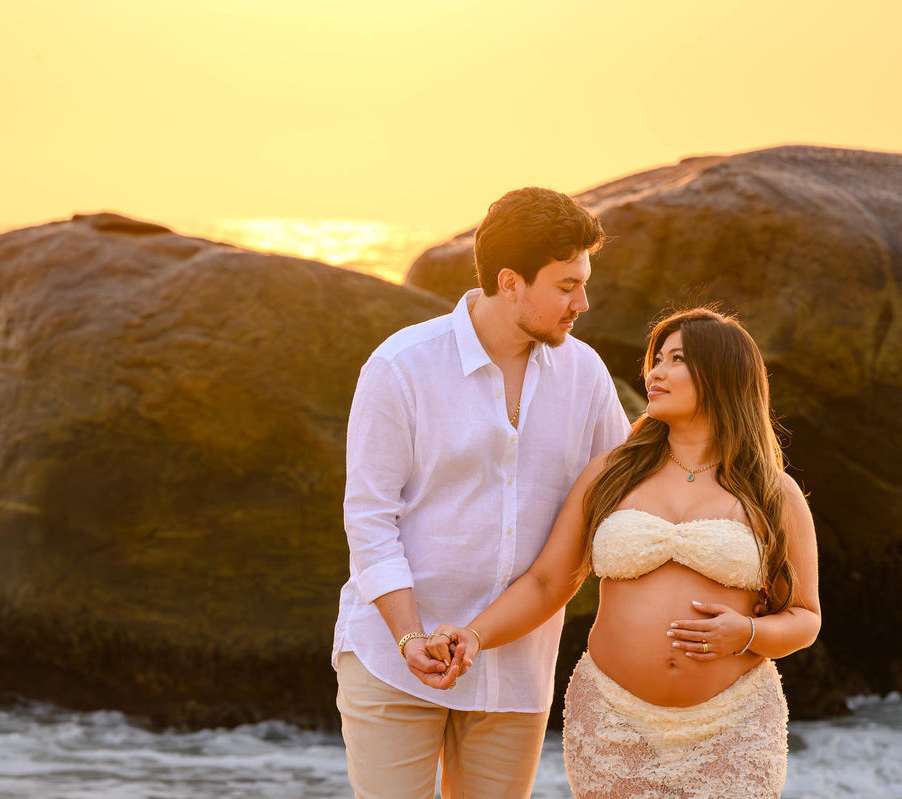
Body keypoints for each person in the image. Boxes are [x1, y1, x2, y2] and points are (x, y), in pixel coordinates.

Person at [429, 307, 821, 798]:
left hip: (734, 724)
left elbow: (804, 617)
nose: (654, 372)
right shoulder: (612, 473)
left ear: (722, 374)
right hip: (614, 721)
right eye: (655, 359)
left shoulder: (771, 492)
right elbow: (548, 582)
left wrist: (747, 633)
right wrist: (474, 634)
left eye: (676, 360)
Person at [331, 187, 633, 799]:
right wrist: (411, 637)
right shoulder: (401, 366)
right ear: (510, 281)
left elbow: (626, 500)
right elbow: (369, 521)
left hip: (517, 672)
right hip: (394, 662)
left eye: (584, 282)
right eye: (567, 284)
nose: (584, 301)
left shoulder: (587, 375)